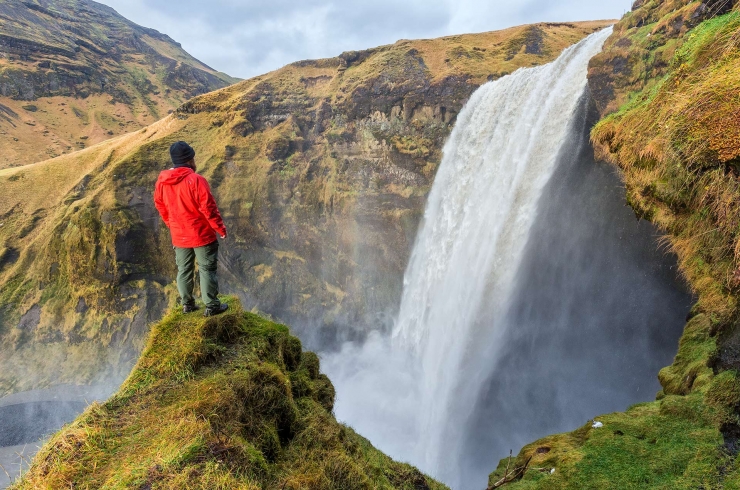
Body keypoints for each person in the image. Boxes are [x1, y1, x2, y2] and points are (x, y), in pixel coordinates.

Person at [154, 141, 229, 317]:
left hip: (179, 235)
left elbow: (160, 205)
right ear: (189, 160)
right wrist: (220, 229)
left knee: (184, 270)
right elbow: (208, 208)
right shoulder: (196, 180)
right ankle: (211, 306)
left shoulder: (162, 182)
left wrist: (171, 224)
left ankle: (187, 304)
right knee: (206, 269)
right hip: (201, 234)